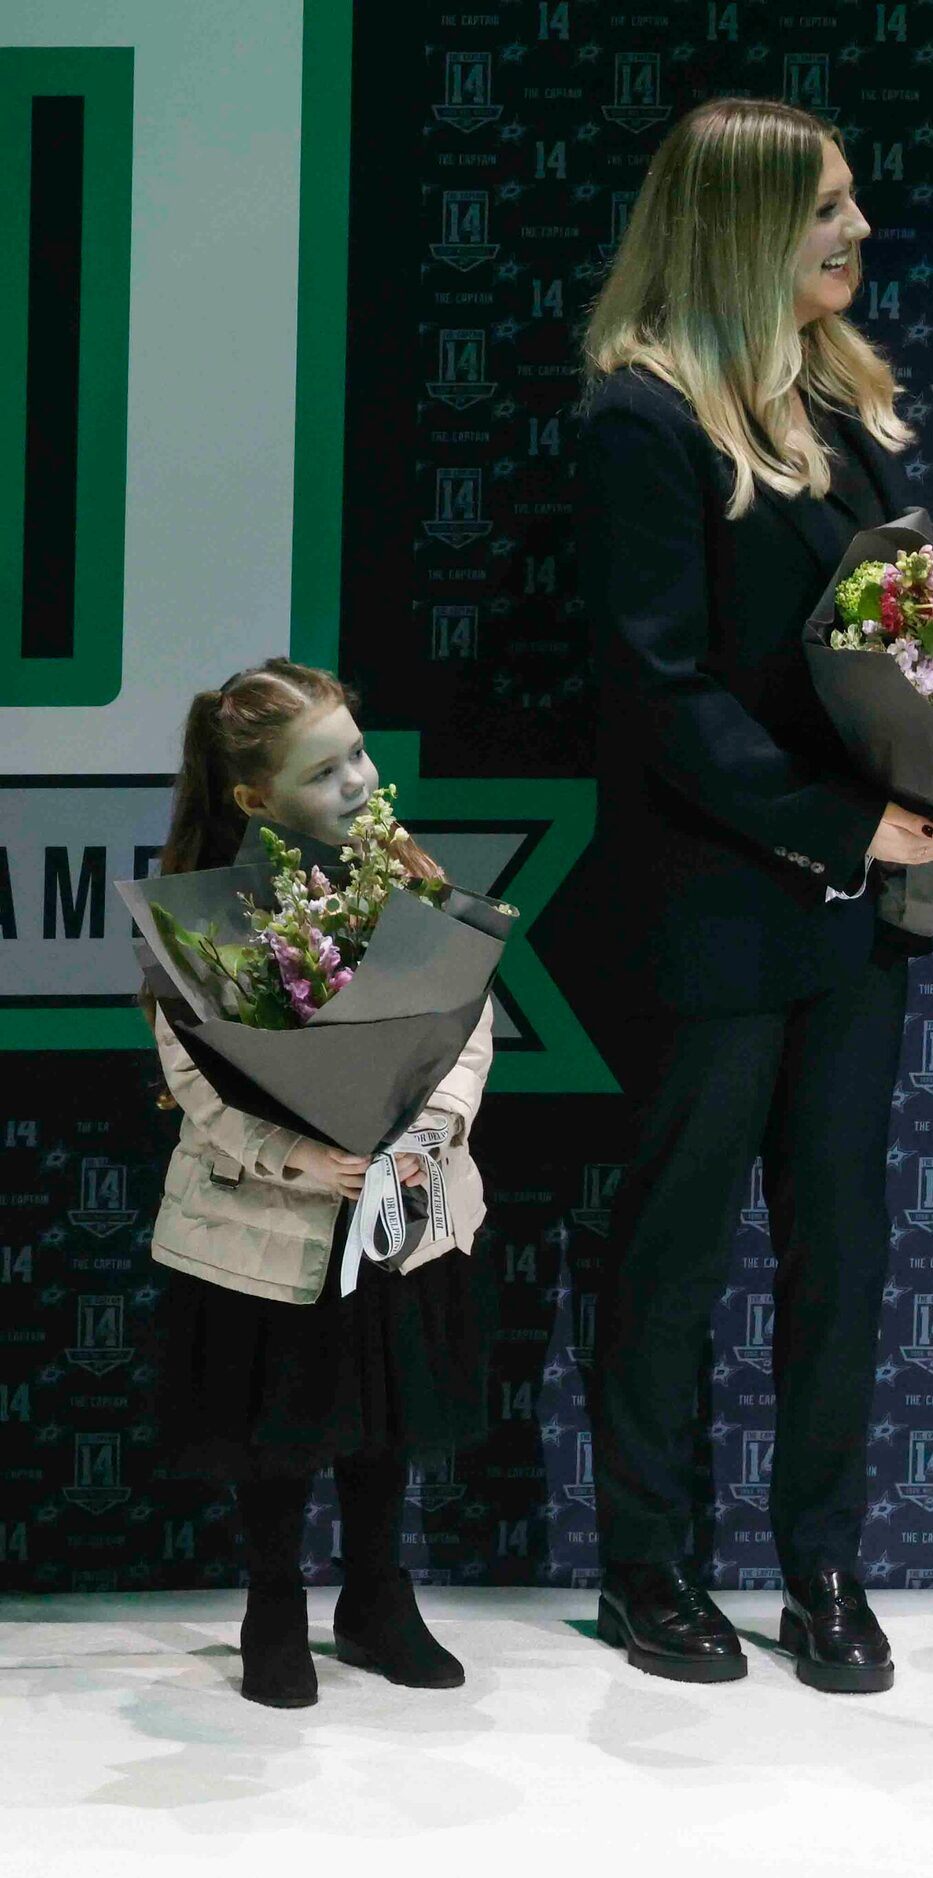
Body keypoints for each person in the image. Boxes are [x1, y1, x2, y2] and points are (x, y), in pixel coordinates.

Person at [571, 97, 933, 1694]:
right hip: (716, 905)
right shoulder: (642, 419)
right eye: (826, 206)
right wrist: (849, 822)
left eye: (854, 198)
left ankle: (823, 1565)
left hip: (856, 916)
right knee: (677, 1248)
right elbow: (662, 697)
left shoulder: (847, 408)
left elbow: (906, 646)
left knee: (843, 1246)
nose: (857, 230)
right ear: (741, 227)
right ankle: (646, 1565)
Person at [147, 660, 495, 1708]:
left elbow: (468, 1022)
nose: (358, 780)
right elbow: (190, 1077)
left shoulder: (407, 876)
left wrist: (428, 1129)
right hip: (274, 1216)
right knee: (284, 1422)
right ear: (255, 800)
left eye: (358, 753)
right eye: (326, 769)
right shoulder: (204, 916)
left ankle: (378, 1599)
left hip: (397, 1202)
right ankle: (273, 1609)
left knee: (384, 1409)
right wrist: (299, 1157)